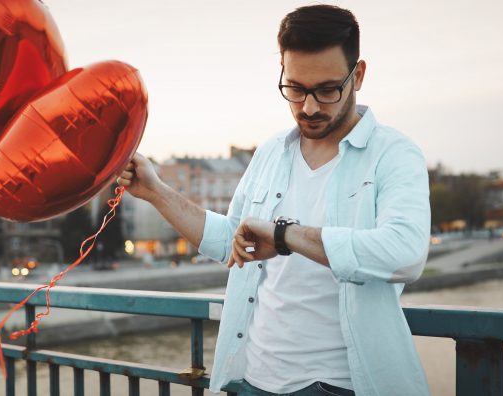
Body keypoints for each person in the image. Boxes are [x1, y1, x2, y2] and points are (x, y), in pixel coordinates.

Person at [117, 4, 431, 396]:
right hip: (252, 379)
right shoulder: (270, 153)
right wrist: (155, 192)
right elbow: (230, 240)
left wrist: (284, 236)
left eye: (328, 90)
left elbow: (405, 253)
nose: (310, 107)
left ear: (359, 75)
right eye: (296, 89)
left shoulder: (394, 153)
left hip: (340, 386)